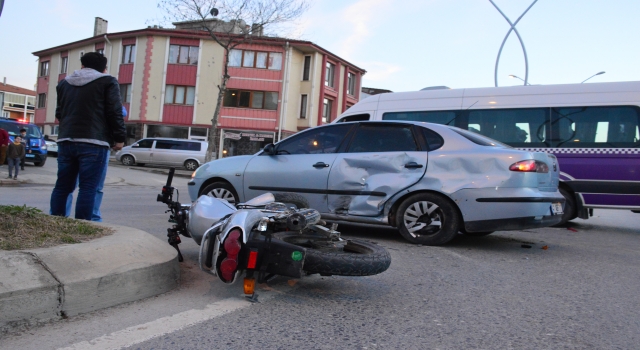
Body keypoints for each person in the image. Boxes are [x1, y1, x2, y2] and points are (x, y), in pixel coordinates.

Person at [50, 52, 126, 221]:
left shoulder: (63, 83)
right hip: (94, 142)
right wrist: (119, 138)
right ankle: (83, 226)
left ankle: (55, 224)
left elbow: (59, 113)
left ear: (82, 65)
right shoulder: (107, 81)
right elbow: (114, 112)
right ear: (104, 68)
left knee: (62, 186)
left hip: (66, 140)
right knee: (88, 187)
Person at [61, 105, 128, 221]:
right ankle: (68, 217)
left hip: (97, 142)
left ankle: (91, 217)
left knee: (93, 187)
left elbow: (121, 112)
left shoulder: (105, 91)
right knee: (73, 186)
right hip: (91, 142)